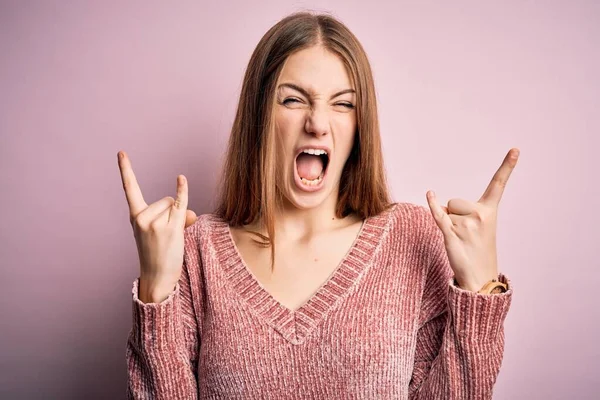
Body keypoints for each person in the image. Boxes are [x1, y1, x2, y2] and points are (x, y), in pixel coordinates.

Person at [120, 11, 518, 399]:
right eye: (293, 100)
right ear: (259, 114)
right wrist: (156, 290)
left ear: (360, 125)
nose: (318, 122)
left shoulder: (413, 240)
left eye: (343, 104)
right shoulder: (196, 251)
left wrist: (480, 289)